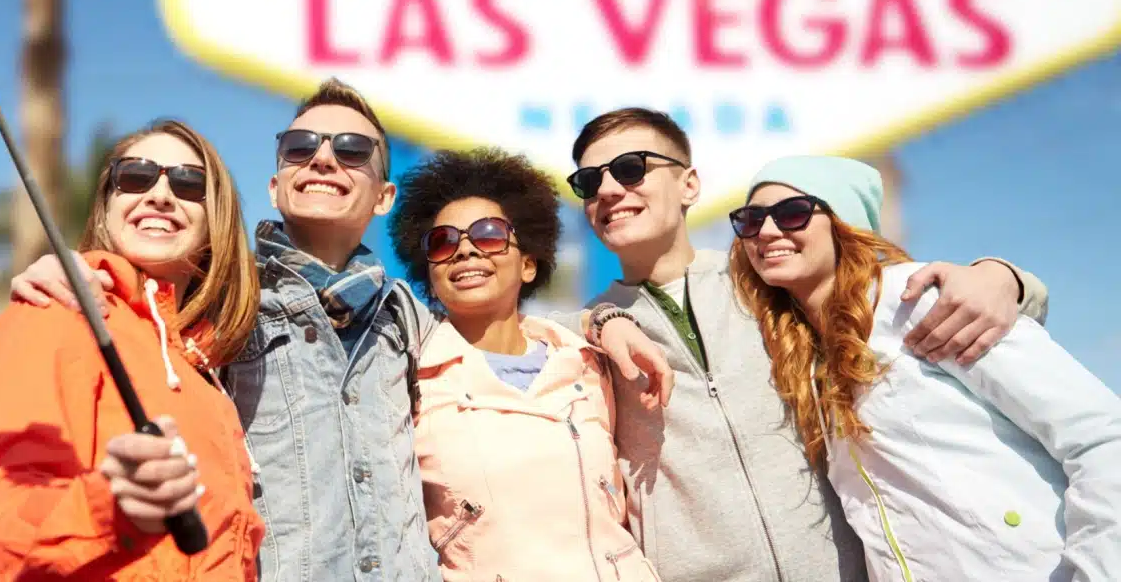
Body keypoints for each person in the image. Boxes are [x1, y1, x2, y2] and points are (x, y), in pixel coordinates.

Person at [8, 82, 669, 580]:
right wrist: (80, 270)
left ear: (382, 197)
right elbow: (144, 291)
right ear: (276, 183)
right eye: (302, 147)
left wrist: (602, 318)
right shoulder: (222, 296)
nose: (324, 158)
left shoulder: (407, 320)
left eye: (352, 150)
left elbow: (502, 326)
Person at [567, 107, 1050, 582]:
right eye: (589, 182)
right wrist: (601, 318)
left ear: (689, 184)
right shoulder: (578, 340)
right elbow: (515, 336)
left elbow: (888, 290)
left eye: (631, 169)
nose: (608, 190)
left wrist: (1007, 278)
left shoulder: (770, 275)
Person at [730, 155, 1121, 582]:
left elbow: (1099, 436)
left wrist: (1096, 571)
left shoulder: (919, 299)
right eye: (749, 219)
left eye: (792, 213)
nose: (766, 231)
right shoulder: (802, 357)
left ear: (843, 224)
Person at [0, 119, 264, 581]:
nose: (161, 194)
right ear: (107, 206)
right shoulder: (54, 312)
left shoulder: (208, 375)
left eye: (188, 183)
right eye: (136, 176)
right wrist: (111, 507)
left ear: (215, 221)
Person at [388, 148, 662, 581]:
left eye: (489, 235)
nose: (464, 250)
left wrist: (604, 318)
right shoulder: (405, 379)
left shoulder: (590, 364)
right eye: (443, 242)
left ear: (529, 264)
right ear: (431, 278)